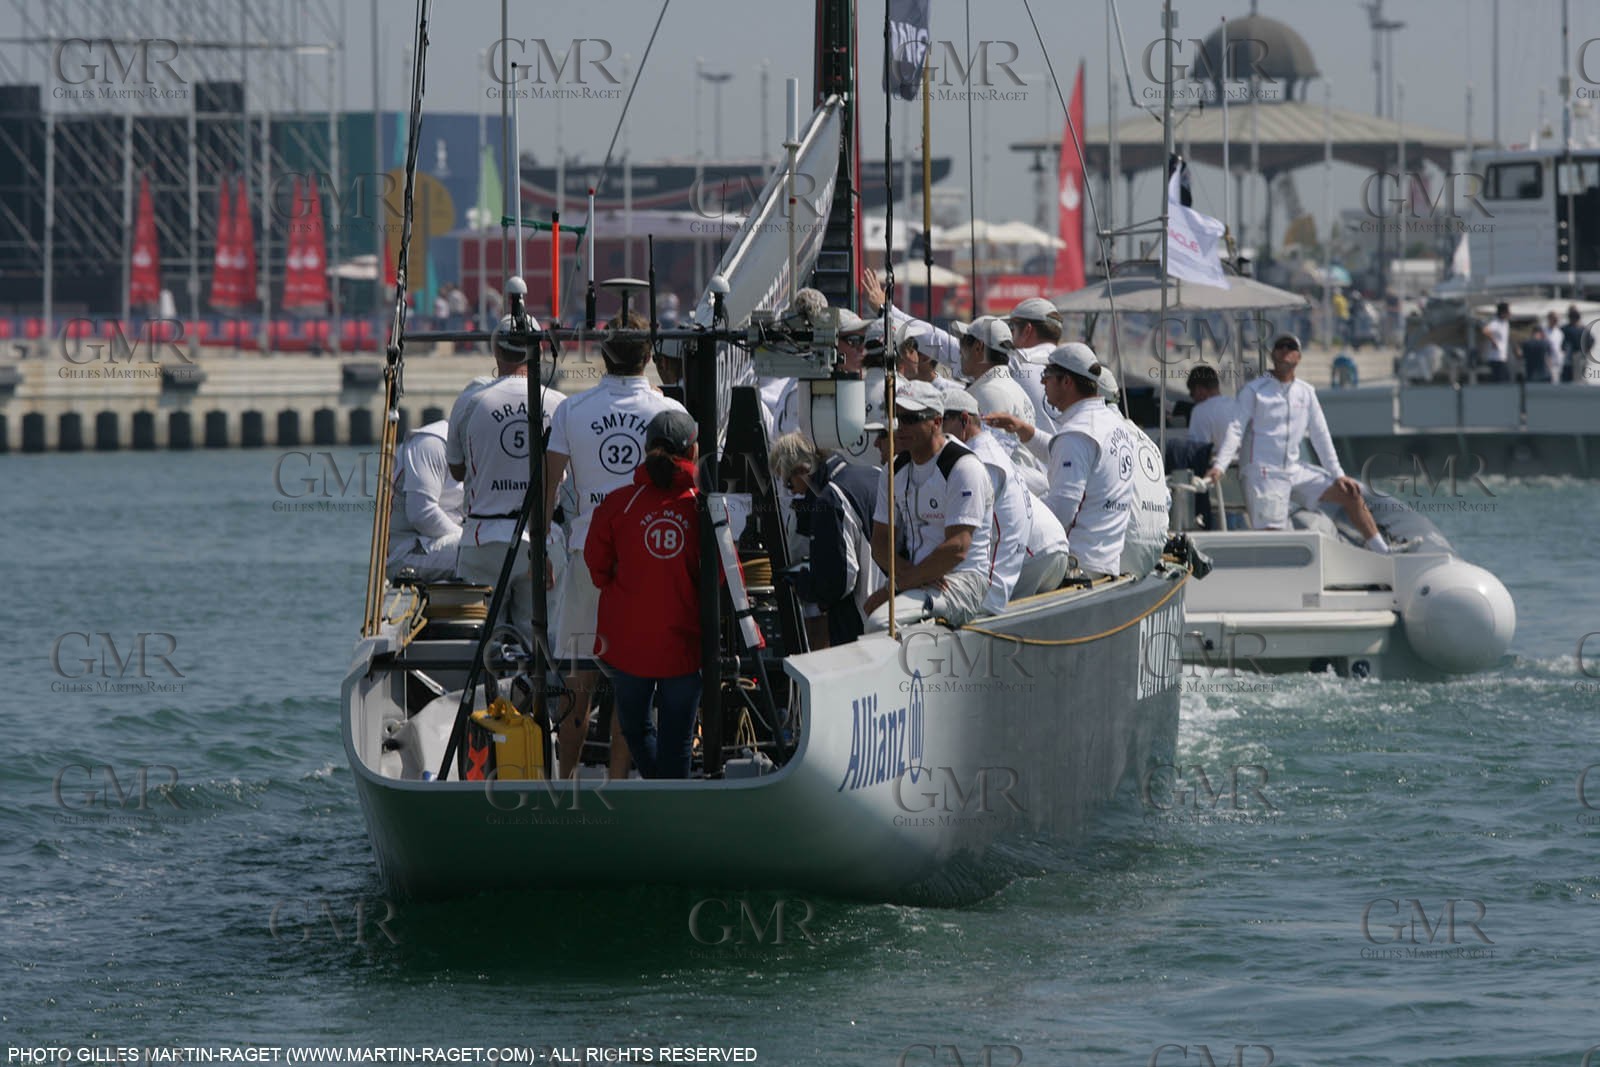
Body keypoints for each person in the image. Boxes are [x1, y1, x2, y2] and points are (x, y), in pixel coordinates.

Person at [546, 310, 689, 778]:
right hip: (649, 560)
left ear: (602, 355)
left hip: (587, 553)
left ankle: (564, 781)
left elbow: (547, 491)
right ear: (649, 355)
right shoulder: (672, 415)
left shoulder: (571, 409)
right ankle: (620, 783)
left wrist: (544, 547)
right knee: (635, 678)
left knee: (578, 680)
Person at [586, 410, 703, 779]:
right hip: (684, 645)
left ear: (645, 448)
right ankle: (674, 806)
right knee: (679, 741)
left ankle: (663, 796)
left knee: (635, 730)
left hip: (628, 645)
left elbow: (597, 567)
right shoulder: (702, 507)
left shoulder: (618, 503)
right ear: (694, 451)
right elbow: (719, 578)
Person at [1206, 334, 1393, 551]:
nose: (1285, 350)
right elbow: (1235, 428)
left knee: (1350, 494)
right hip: (1263, 473)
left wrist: (1338, 474)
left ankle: (1383, 552)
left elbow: (1320, 435)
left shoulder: (1306, 393)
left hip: (1294, 470)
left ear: (1299, 357)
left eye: (1291, 347)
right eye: (1280, 346)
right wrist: (1220, 466)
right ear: (1273, 354)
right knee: (1272, 536)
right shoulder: (1254, 391)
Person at [445, 316, 567, 643]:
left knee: (481, 644)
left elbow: (456, 471)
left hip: (483, 541)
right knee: (541, 645)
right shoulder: (558, 404)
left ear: (495, 349)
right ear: (537, 349)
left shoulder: (469, 402)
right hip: (542, 539)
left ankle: (489, 694)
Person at [985, 343, 1135, 580]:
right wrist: (1023, 429)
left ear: (1067, 382)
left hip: (1076, 567)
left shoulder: (1077, 434)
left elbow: (1061, 511)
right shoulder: (1111, 423)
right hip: (1105, 562)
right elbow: (1071, 456)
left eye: (1047, 376)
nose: (1043, 382)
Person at [864, 381, 995, 630]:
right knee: (871, 607)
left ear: (936, 421)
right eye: (898, 418)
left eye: (911, 419)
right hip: (920, 578)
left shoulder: (963, 467)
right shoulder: (893, 470)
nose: (901, 427)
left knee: (881, 622)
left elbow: (957, 548)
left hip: (961, 579)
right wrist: (910, 576)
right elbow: (880, 543)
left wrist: (905, 582)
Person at [942, 391, 1070, 605]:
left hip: (1035, 555)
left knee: (979, 605)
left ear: (964, 419)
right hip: (1052, 548)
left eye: (941, 421)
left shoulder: (977, 460)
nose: (937, 430)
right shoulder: (991, 449)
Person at [770, 432, 882, 646]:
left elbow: (838, 581)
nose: (792, 491)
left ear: (802, 471)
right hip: (895, 609)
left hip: (859, 623)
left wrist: (803, 585)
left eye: (789, 484)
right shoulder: (875, 474)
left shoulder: (830, 498)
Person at [955, 315, 1047, 495]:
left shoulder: (989, 393)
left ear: (978, 347)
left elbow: (990, 461)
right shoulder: (1008, 387)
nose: (959, 350)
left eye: (964, 342)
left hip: (1002, 497)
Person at [386, 420, 464, 582]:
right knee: (492, 552)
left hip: (441, 544)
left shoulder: (481, 447)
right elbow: (422, 514)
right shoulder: (432, 443)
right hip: (405, 553)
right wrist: (473, 540)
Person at [1480, 301, 1511, 383]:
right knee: (1500, 381)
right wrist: (1493, 341)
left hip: (1502, 357)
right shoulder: (1495, 323)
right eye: (1508, 311)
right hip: (1496, 358)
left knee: (1506, 379)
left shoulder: (1505, 323)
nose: (1509, 313)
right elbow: (1485, 330)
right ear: (1503, 312)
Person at [1544, 310, 1567, 383]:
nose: (1556, 320)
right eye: (1554, 319)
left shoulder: (1559, 332)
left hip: (1559, 362)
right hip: (1548, 362)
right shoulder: (1544, 331)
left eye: (1557, 319)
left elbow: (1561, 346)